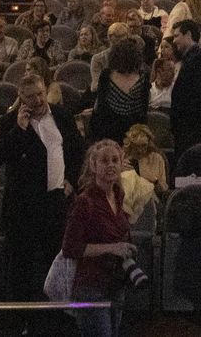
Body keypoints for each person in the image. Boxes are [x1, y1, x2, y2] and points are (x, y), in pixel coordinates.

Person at [0, 71, 85, 302]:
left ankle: (56, 312)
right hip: (22, 206)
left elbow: (77, 150)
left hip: (55, 201)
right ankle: (22, 316)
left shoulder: (61, 116)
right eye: (31, 97)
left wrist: (70, 180)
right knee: (22, 264)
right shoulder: (9, 122)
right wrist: (19, 130)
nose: (38, 101)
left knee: (54, 258)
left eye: (41, 94)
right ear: (21, 98)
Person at [62, 139, 136, 337]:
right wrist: (112, 248)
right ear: (93, 166)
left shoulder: (118, 195)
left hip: (115, 281)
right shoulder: (85, 202)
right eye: (104, 161)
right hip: (91, 286)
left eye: (115, 160)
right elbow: (70, 248)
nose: (111, 165)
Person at [170, 21, 201, 154]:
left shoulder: (197, 60)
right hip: (187, 127)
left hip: (190, 127)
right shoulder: (192, 58)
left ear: (188, 34)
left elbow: (194, 97)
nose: (174, 41)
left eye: (177, 36)